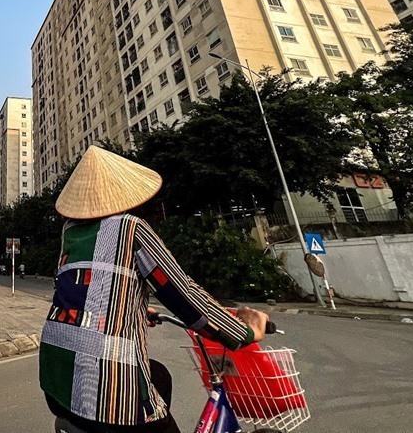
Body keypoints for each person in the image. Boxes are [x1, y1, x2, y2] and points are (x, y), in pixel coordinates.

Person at [39, 146, 269, 433]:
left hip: (57, 382)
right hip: (106, 397)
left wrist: (133, 306)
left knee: (158, 374)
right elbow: (183, 294)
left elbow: (79, 290)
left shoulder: (69, 232)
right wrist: (244, 331)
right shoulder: (131, 228)